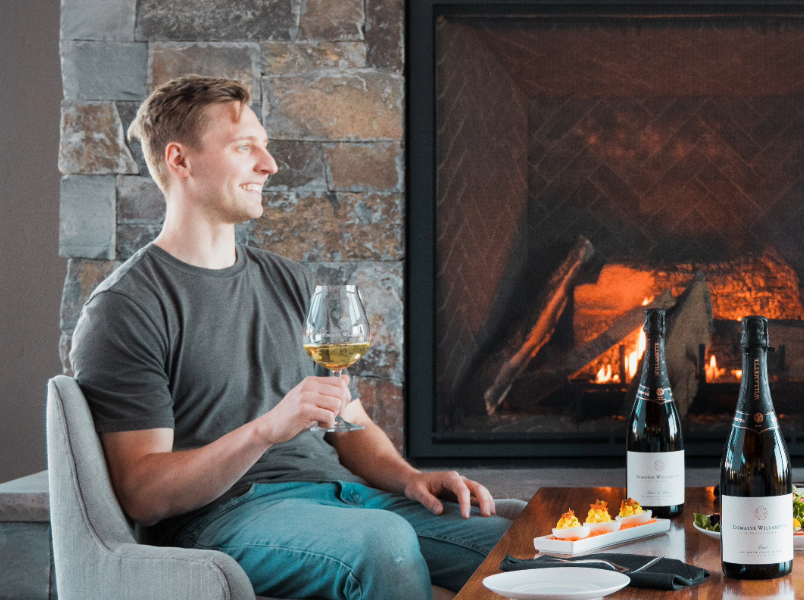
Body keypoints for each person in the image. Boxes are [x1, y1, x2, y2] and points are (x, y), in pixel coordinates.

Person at [69, 75, 519, 600]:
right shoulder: (127, 308)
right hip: (229, 517)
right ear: (180, 160)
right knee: (382, 544)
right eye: (245, 148)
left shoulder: (292, 281)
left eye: (266, 146)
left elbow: (349, 420)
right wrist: (267, 429)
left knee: (522, 545)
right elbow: (144, 493)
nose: (269, 165)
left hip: (347, 500)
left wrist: (405, 476)